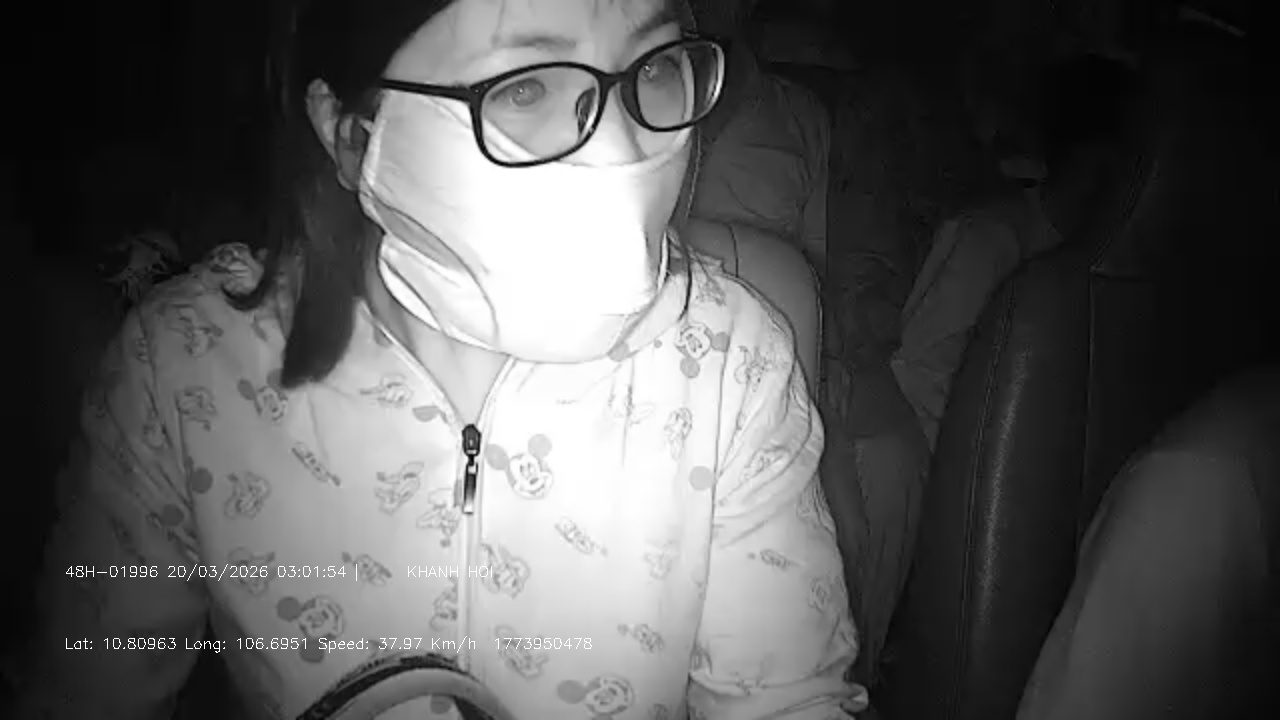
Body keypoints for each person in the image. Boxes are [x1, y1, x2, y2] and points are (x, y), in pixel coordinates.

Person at [14, 1, 868, 718]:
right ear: (353, 135)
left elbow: (788, 702)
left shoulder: (727, 367)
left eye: (653, 69)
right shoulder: (189, 371)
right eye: (524, 87)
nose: (619, 146)